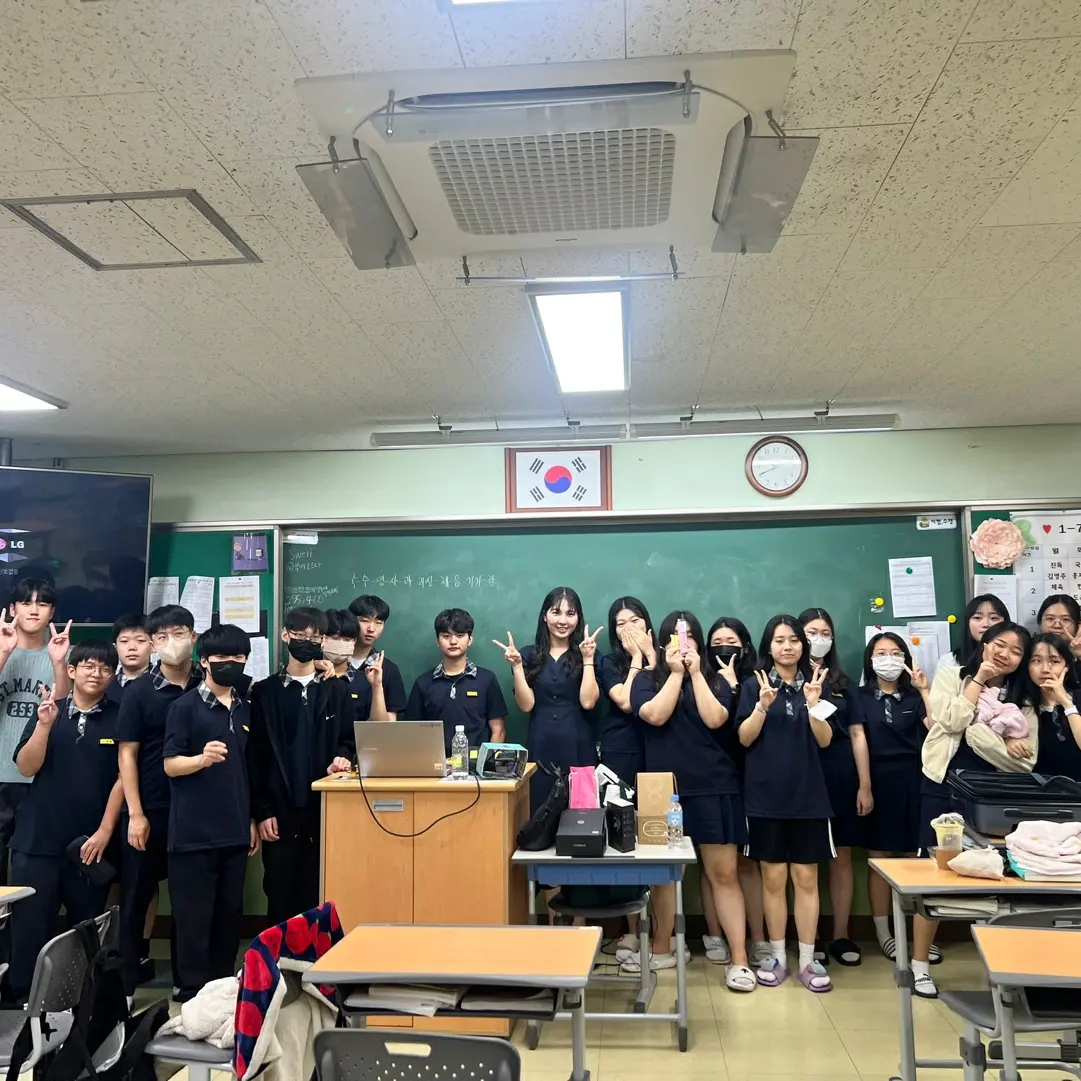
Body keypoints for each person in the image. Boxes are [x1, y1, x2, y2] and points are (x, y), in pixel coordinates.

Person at [629, 611, 753, 991]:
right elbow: (654, 715)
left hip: (714, 786)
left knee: (724, 874)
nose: (682, 645)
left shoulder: (718, 679)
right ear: (663, 643)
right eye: (673, 638)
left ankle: (739, 959)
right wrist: (675, 674)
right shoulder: (646, 680)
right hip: (663, 791)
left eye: (689, 638)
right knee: (666, 877)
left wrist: (696, 674)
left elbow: (716, 719)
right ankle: (662, 947)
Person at [918, 621, 1035, 998]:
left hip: (995, 797)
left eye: (1016, 651)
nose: (1005, 654)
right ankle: (919, 966)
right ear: (984, 644)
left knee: (998, 878)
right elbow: (949, 721)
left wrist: (978, 732)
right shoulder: (952, 676)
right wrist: (979, 682)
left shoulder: (1023, 694)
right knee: (934, 876)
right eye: (999, 644)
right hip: (943, 785)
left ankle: (1003, 971)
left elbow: (1024, 761)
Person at [8, 640, 124, 1001]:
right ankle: (22, 1000)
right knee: (28, 926)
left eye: (105, 668)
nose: (96, 673)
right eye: (88, 666)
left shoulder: (121, 716)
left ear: (113, 675)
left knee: (85, 929)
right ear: (71, 671)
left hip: (90, 845)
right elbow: (26, 767)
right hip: (38, 840)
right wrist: (44, 726)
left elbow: (124, 778)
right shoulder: (49, 710)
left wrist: (104, 832)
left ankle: (77, 1004)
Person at [736, 615, 834, 993]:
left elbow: (825, 740)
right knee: (773, 879)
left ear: (803, 645)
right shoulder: (753, 685)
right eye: (779, 640)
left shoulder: (816, 685)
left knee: (806, 878)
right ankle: (777, 956)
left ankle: (808, 960)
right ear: (769, 646)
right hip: (765, 797)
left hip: (809, 797)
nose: (787, 646)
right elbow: (744, 739)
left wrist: (813, 704)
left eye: (794, 639)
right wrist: (762, 706)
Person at [163, 623, 258, 1002]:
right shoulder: (184, 707)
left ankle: (221, 991)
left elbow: (249, 770)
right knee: (193, 918)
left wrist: (251, 819)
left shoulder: (246, 707)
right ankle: (190, 993)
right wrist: (201, 759)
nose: (230, 662)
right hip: (193, 834)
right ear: (204, 661)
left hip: (235, 831)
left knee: (229, 915)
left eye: (238, 656)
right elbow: (170, 765)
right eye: (221, 656)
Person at [249, 608, 355, 927]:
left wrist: (343, 758)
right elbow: (255, 755)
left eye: (316, 637)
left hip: (323, 811)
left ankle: (315, 957)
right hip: (279, 811)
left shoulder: (335, 689)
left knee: (318, 893)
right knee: (279, 892)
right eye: (301, 635)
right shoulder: (265, 692)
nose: (308, 642)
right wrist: (262, 810)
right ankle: (278, 957)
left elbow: (348, 740)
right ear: (285, 635)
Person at [117, 604, 200, 996]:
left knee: (189, 901)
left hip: (197, 812)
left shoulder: (209, 683)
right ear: (152, 643)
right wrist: (135, 813)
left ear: (194, 637)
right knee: (135, 897)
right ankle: (125, 985)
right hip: (150, 808)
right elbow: (127, 754)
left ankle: (188, 984)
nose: (171, 643)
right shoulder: (138, 692)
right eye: (162, 636)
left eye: (179, 634)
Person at [798, 608, 871, 969]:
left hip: (841, 774)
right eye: (811, 632)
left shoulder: (844, 683)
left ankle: (841, 933)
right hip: (803, 774)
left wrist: (865, 785)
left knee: (841, 858)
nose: (819, 638)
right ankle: (808, 939)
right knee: (806, 861)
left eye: (825, 632)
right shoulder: (788, 678)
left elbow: (857, 734)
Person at [493, 586, 600, 813]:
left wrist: (588, 659)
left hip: (578, 745)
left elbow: (588, 702)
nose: (563, 621)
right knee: (539, 814)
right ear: (544, 616)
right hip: (541, 745)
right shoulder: (527, 655)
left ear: (578, 618)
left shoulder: (587, 653)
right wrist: (517, 667)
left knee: (582, 820)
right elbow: (526, 705)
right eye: (556, 612)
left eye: (570, 614)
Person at [860, 632, 933, 960]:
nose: (888, 659)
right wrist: (865, 786)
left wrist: (925, 690)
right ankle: (883, 932)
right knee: (880, 859)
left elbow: (935, 727)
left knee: (913, 859)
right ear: (870, 659)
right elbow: (858, 738)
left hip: (915, 781)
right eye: (880, 653)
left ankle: (917, 936)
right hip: (876, 782)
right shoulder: (859, 696)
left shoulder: (915, 697)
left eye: (895, 652)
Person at [703, 616, 768, 968]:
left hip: (754, 775)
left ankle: (757, 938)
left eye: (730, 641)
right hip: (716, 777)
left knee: (747, 861)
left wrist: (738, 686)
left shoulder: (757, 680)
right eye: (716, 643)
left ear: (744, 646)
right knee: (714, 864)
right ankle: (715, 934)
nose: (724, 648)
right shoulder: (702, 678)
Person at [0, 580, 72, 886]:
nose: (33, 610)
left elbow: (65, 709)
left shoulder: (64, 654)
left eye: (42, 604)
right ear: (12, 609)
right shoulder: (1, 649)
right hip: (0, 775)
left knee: (30, 871)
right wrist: (4, 652)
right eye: (26, 603)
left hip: (40, 777)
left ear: (52, 612)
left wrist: (59, 662)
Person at [595, 598, 654, 958]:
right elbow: (625, 701)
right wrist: (635, 659)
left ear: (648, 623)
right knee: (623, 838)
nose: (628, 628)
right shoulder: (607, 663)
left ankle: (653, 930)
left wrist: (650, 656)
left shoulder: (664, 657)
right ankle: (628, 929)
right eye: (620, 623)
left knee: (655, 839)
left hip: (660, 751)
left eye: (634, 620)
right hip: (620, 753)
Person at [405, 608, 507, 754]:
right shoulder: (423, 683)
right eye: (446, 636)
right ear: (437, 641)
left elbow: (498, 730)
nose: (453, 641)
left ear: (470, 639)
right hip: (435, 763)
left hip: (476, 763)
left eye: (460, 635)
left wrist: (486, 762)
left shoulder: (486, 679)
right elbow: (412, 733)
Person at [1027, 632, 1081, 780]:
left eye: (1054, 661)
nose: (1045, 669)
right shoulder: (1022, 705)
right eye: (1036, 661)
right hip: (1039, 789)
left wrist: (1066, 703)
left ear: (1066, 666)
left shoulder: (1078, 697)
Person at [346, 596, 406, 722]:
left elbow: (388, 726)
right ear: (351, 621)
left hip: (369, 735)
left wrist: (377, 685)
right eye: (365, 621)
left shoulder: (388, 670)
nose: (371, 629)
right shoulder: (330, 662)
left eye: (378, 623)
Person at [935, 594, 1009, 675]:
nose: (985, 624)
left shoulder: (1012, 659)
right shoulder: (949, 662)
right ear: (967, 623)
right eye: (977, 618)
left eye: (994, 618)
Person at [107, 613, 152, 705]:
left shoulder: (163, 685)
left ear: (153, 645)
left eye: (140, 641)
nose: (132, 647)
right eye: (124, 641)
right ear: (115, 647)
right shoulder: (103, 686)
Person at [1037, 594, 1081, 659]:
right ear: (1040, 623)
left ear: (1078, 626)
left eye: (1065, 619)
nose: (1057, 626)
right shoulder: (1028, 652)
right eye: (1050, 619)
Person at [322, 609, 359, 681]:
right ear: (322, 638)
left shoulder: (365, 681)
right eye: (335, 638)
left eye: (347, 639)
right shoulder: (308, 674)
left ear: (354, 641)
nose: (341, 643)